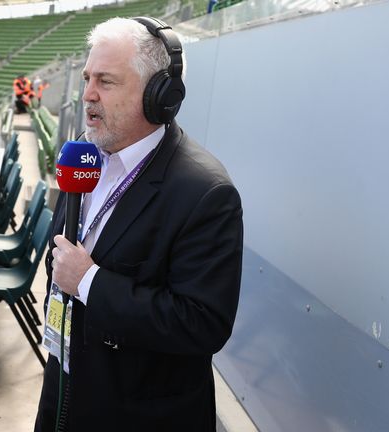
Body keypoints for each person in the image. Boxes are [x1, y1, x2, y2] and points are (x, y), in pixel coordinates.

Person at [34, 17, 243, 431]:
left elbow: (202, 324)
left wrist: (90, 281)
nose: (88, 95)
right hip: (62, 393)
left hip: (137, 416)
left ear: (158, 96)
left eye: (106, 82)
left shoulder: (205, 193)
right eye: (87, 78)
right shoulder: (83, 154)